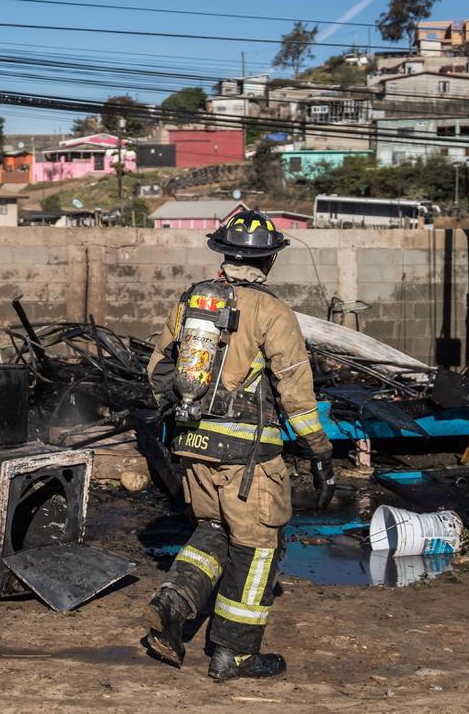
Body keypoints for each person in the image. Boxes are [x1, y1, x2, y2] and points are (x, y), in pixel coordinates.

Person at [142, 209, 336, 682]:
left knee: (212, 529)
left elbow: (155, 374)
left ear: (223, 256)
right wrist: (319, 453)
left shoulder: (191, 303)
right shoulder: (273, 312)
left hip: (192, 446)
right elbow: (296, 392)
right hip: (246, 458)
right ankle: (236, 654)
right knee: (256, 547)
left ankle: (173, 602)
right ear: (268, 261)